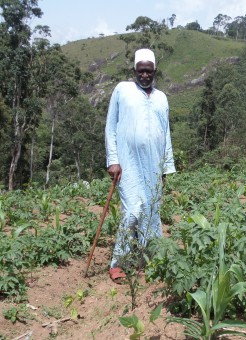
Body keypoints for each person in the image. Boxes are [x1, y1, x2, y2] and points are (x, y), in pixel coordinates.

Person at [105, 48, 176, 283]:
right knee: (133, 211)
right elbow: (111, 126)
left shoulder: (161, 97)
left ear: (155, 71)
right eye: (140, 70)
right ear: (134, 70)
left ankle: (147, 258)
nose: (145, 75)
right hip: (128, 163)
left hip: (154, 164)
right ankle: (118, 262)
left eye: (149, 71)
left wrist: (166, 167)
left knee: (151, 212)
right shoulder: (122, 90)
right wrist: (113, 160)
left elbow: (165, 133)